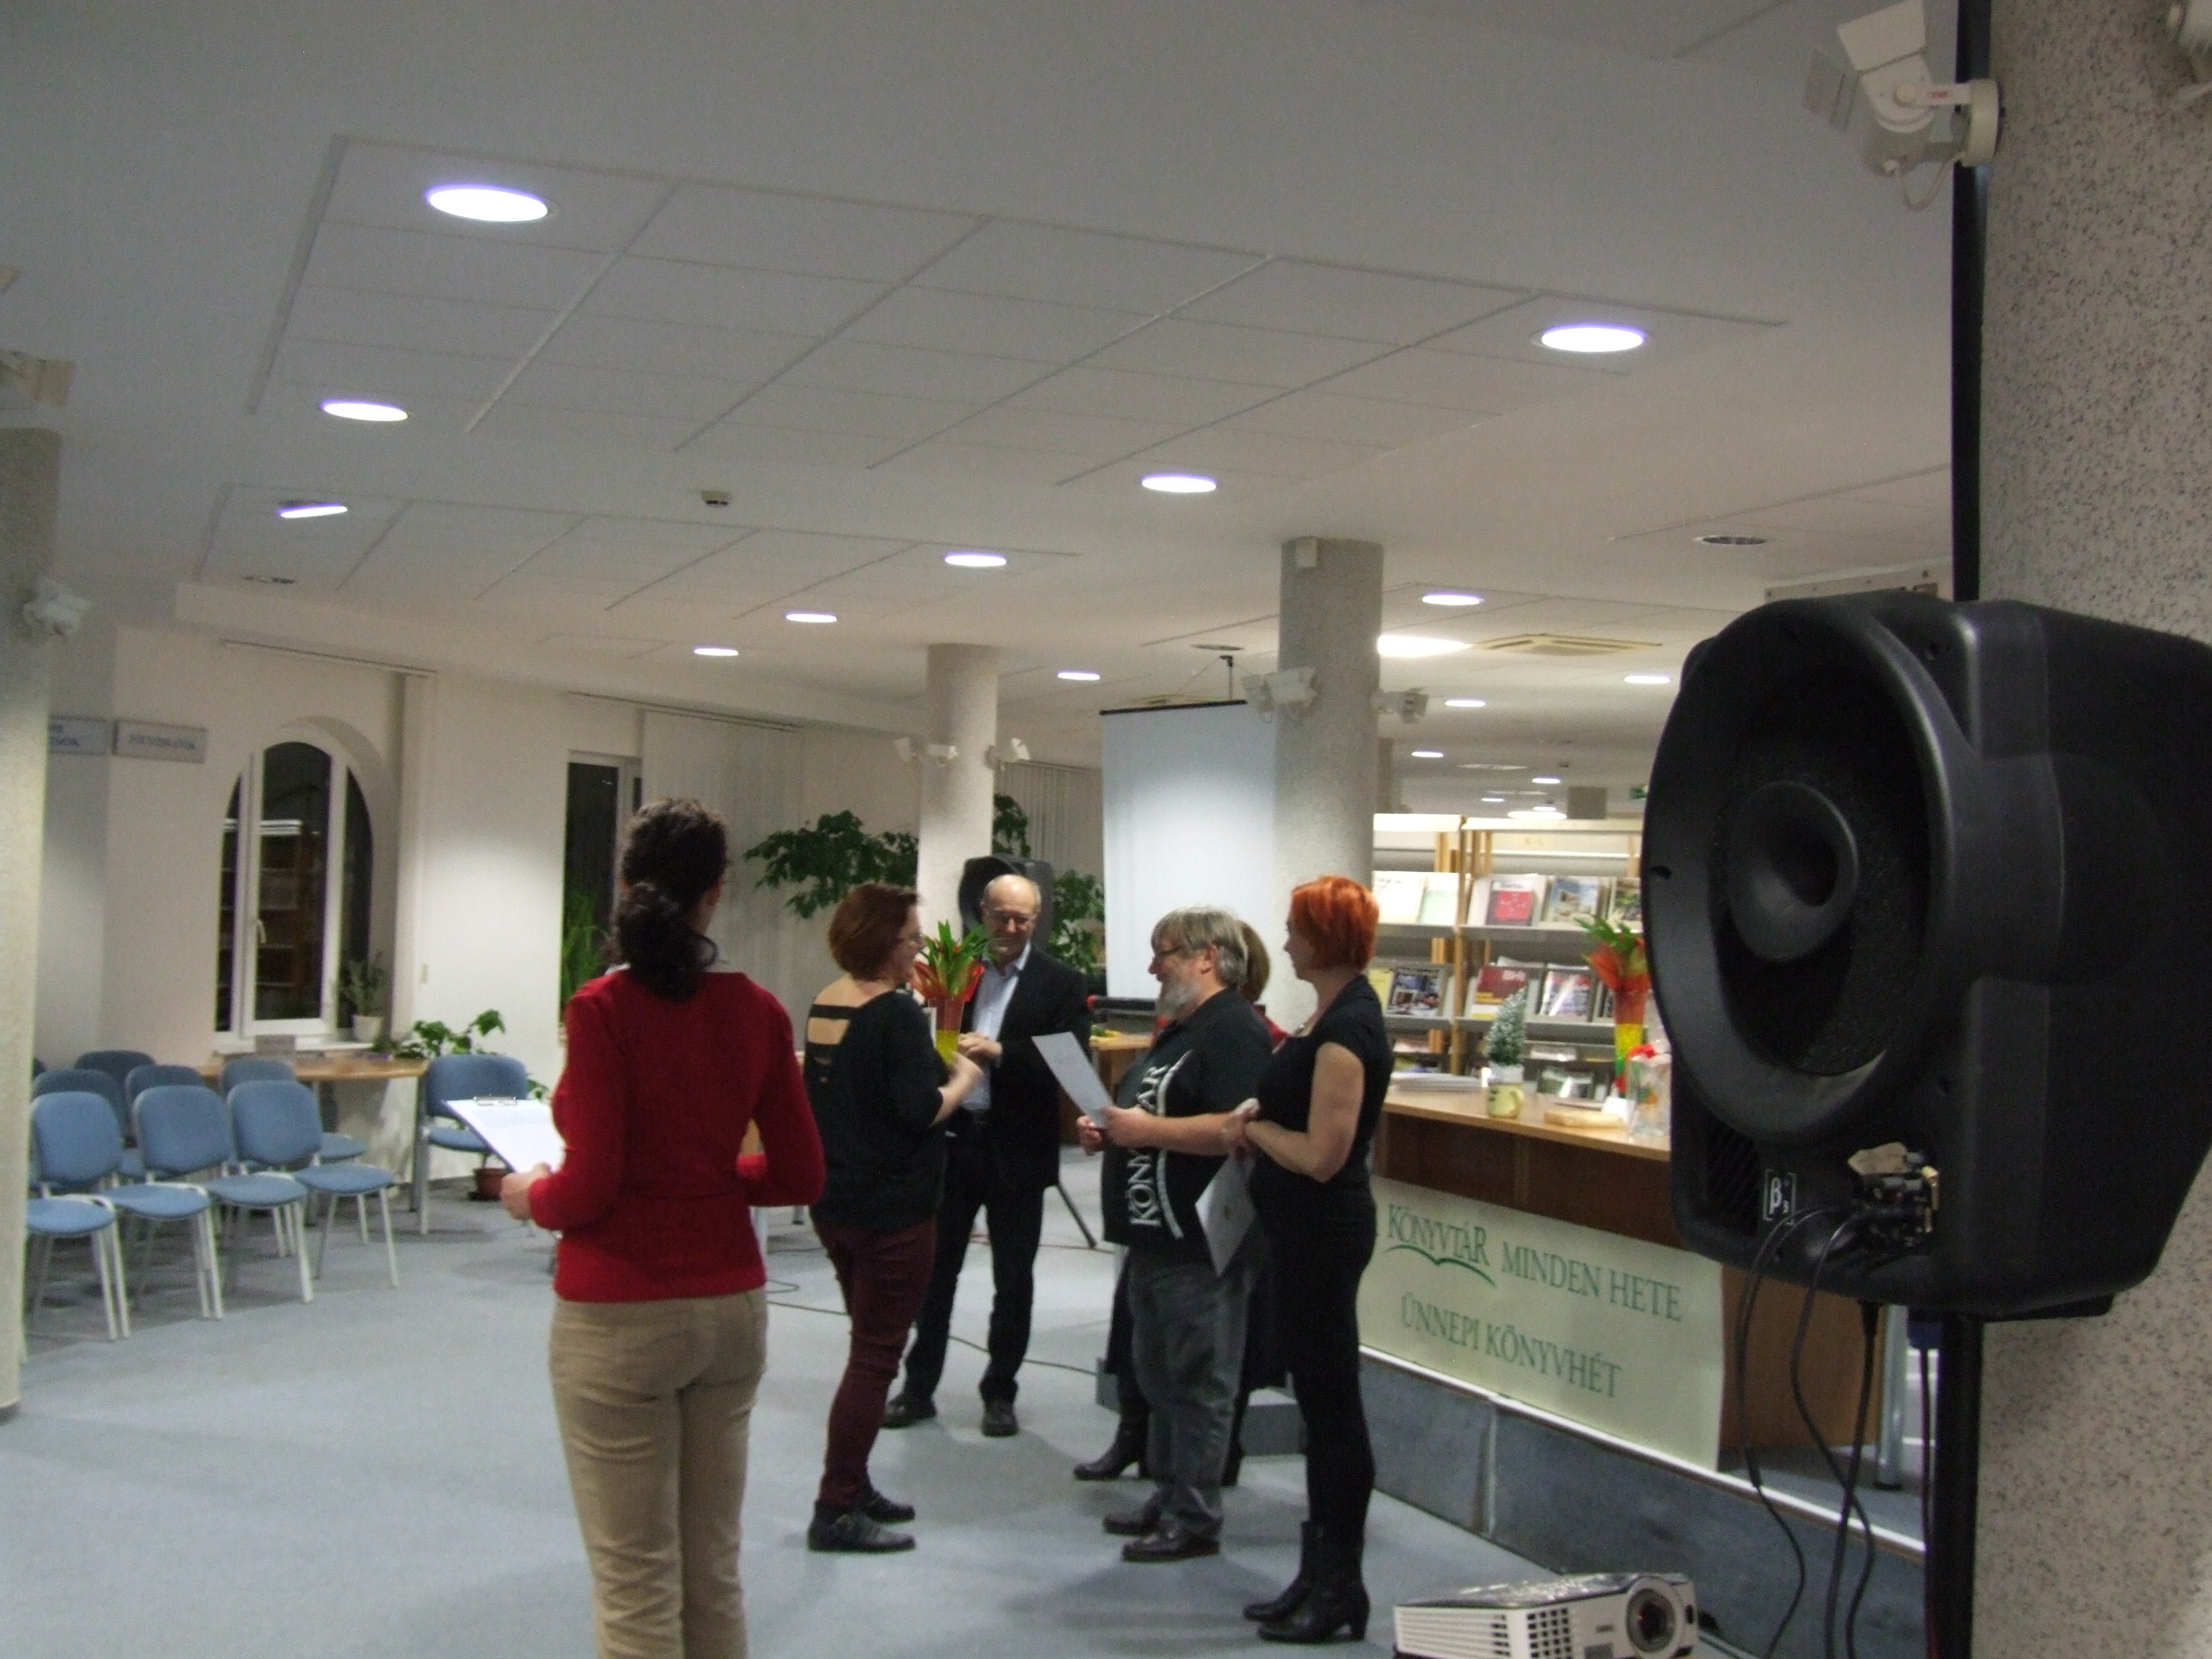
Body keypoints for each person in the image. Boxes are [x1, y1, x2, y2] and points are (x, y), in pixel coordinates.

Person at [502, 798, 826, 1659]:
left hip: (621, 1313)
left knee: (636, 1581)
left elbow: (588, 1188)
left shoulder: (601, 1009)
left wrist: (529, 1195)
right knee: (712, 1569)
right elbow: (801, 1176)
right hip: (730, 1308)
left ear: (625, 884)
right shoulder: (758, 1010)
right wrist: (712, 1181)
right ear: (716, 894)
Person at [1077, 906, 1273, 1563]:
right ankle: (1168, 1495)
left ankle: (1195, 1516)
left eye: (1163, 952)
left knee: (1199, 1381)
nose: (1152, 966)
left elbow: (1237, 1128)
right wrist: (1111, 1129)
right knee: (1158, 1375)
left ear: (1206, 957)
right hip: (1153, 1235)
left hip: (1198, 1240)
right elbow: (1150, 1110)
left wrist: (1145, 1131)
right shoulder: (1182, 1030)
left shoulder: (1234, 1030)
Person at [1226, 875, 1393, 1644]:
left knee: (1331, 1409)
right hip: (1298, 1233)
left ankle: (1338, 1583)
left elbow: (1324, 1156)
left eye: (1295, 929)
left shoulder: (1348, 1029)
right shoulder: (1326, 1016)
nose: (1285, 942)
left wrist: (1254, 1132)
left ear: (1323, 938)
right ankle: (1317, 1570)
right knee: (1319, 1405)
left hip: (1324, 1233)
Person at [802, 882, 985, 1552]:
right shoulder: (897, 1013)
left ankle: (855, 1484)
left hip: (836, 1202)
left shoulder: (827, 1001)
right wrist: (964, 1079)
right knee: (876, 1357)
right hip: (892, 1210)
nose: (919, 950)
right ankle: (836, 1506)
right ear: (885, 942)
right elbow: (919, 1109)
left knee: (866, 1344)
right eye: (912, 938)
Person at [885, 871, 1091, 1438]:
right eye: (1002, 917)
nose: (1012, 928)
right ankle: (919, 1388)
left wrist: (1002, 1052)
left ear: (1037, 920)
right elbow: (924, 1034)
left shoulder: (1062, 983)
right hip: (954, 1143)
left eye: (1023, 919)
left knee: (1014, 1280)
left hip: (1018, 1149)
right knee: (936, 1274)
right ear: (982, 913)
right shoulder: (954, 966)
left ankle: (1001, 1392)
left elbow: (1069, 1059)